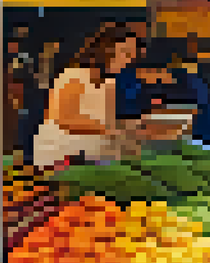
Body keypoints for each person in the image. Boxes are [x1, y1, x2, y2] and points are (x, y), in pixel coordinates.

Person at [32, 25, 140, 168]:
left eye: (132, 55)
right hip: (59, 152)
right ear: (106, 50)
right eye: (125, 53)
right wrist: (108, 129)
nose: (129, 60)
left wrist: (131, 126)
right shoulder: (74, 75)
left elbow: (108, 124)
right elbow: (64, 119)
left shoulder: (109, 82)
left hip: (92, 154)